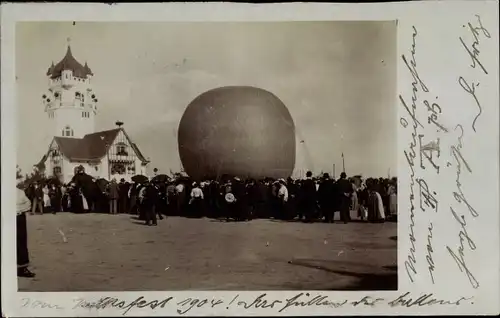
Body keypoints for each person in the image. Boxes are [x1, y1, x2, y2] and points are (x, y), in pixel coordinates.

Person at [16, 171, 35, 278]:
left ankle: (22, 268)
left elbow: (28, 204)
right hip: (11, 217)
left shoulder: (20, 192)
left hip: (19, 217)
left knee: (21, 241)